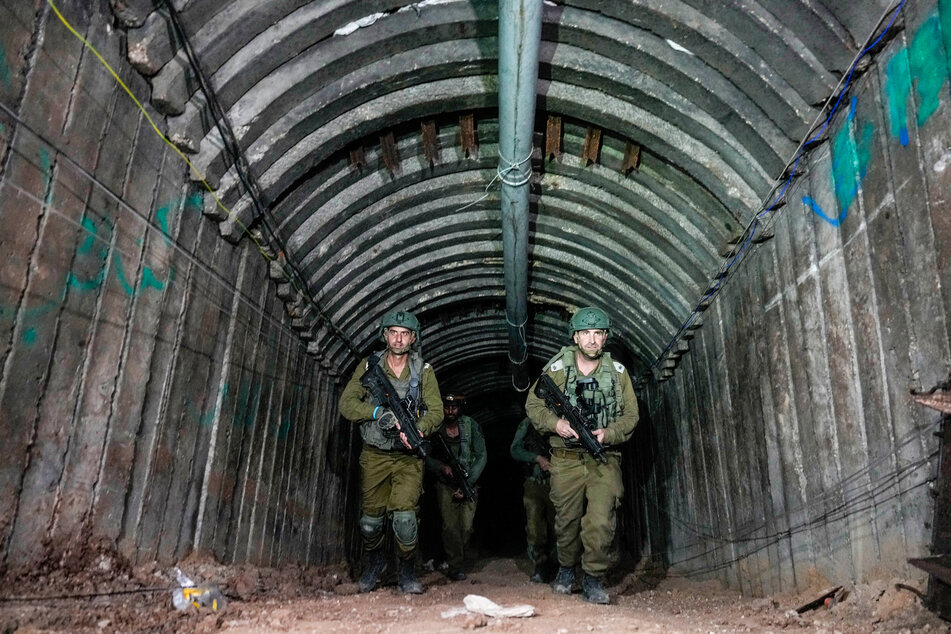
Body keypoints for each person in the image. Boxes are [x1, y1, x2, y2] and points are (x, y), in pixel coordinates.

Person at [524, 307, 639, 605]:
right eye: (585, 333)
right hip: (565, 458)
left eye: (597, 334)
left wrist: (608, 434)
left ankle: (592, 577)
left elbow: (630, 416)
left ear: (604, 338)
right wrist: (557, 424)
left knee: (601, 520)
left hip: (604, 457)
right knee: (566, 520)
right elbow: (534, 406)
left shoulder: (617, 373)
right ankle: (565, 568)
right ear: (575, 336)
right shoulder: (558, 369)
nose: (591, 340)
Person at [339, 310, 442, 594]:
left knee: (405, 519)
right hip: (375, 453)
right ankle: (375, 565)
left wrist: (419, 429)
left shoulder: (424, 371)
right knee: (370, 521)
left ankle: (406, 571)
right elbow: (347, 404)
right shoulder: (369, 366)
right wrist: (375, 412)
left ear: (413, 338)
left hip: (408, 458)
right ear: (384, 335)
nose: (398, 339)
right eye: (393, 333)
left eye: (404, 334)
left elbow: (436, 410)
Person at [425, 393, 486, 581]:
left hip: (469, 483)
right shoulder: (435, 427)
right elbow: (424, 455)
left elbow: (482, 455)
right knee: (450, 527)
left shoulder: (469, 426)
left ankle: (458, 557)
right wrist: (441, 467)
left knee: (466, 528)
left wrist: (468, 482)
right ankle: (454, 566)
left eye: (454, 407)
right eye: (446, 407)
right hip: (445, 485)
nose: (450, 411)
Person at [509, 416, 557, 583]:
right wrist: (536, 458)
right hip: (534, 483)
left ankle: (559, 564)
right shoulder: (528, 423)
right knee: (535, 527)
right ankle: (541, 564)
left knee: (560, 526)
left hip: (559, 482)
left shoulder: (563, 418)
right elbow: (515, 450)